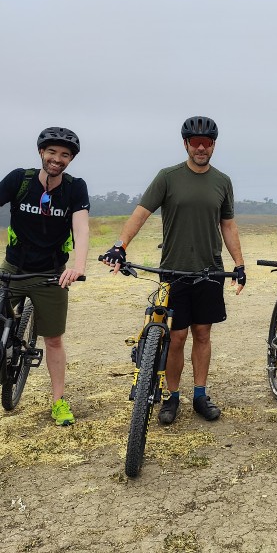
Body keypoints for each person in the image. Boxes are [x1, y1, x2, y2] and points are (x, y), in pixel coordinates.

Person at [101, 116, 245, 424]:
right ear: (186, 145)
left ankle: (200, 395)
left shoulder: (222, 181)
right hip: (174, 270)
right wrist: (120, 245)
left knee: (203, 334)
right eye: (195, 142)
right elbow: (140, 213)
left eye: (207, 143)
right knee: (177, 336)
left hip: (210, 272)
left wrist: (240, 264)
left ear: (214, 146)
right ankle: (172, 397)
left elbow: (228, 225)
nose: (201, 148)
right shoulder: (167, 177)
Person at [0, 127, 90, 426]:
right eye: (52, 152)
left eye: (65, 155)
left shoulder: (74, 188)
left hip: (52, 274)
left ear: (70, 160)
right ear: (42, 152)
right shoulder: (20, 180)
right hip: (13, 269)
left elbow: (81, 228)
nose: (57, 159)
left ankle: (59, 402)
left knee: (53, 340)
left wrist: (77, 266)